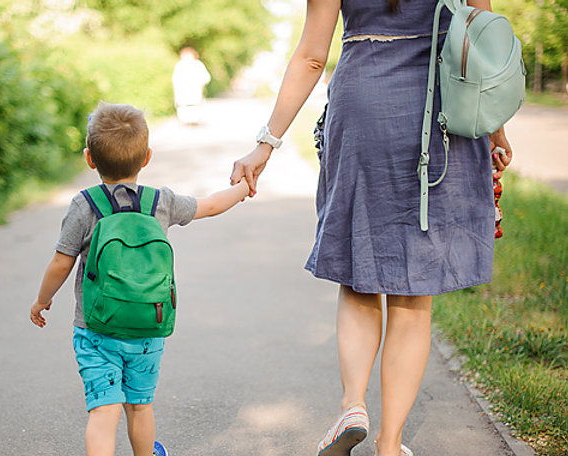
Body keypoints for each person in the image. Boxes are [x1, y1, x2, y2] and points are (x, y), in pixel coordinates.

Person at [229, 1, 514, 456]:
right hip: (441, 111)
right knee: (413, 290)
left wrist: (266, 143)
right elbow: (484, 39)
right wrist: (495, 126)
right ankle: (390, 443)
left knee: (360, 269)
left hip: (363, 104)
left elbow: (312, 57)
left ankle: (353, 404)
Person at [30, 102, 250, 456]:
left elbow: (61, 261)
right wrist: (243, 188)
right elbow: (209, 205)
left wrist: (43, 300)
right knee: (140, 405)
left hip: (95, 328)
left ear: (89, 158)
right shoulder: (159, 202)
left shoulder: (85, 205)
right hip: (149, 325)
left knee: (103, 412)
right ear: (147, 157)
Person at [172, 47, 211, 124]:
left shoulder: (198, 65)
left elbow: (206, 78)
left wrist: (200, 83)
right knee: (185, 115)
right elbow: (175, 81)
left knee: (195, 113)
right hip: (182, 94)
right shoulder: (179, 65)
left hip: (195, 93)